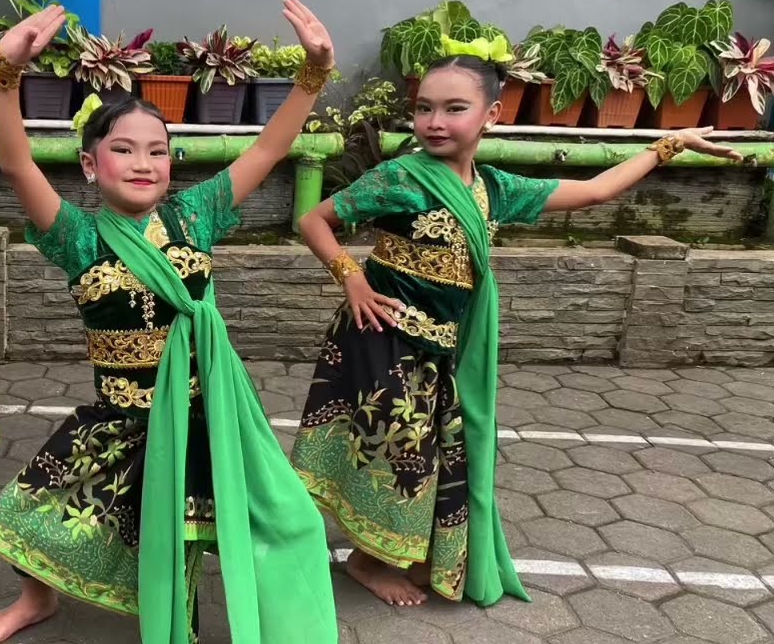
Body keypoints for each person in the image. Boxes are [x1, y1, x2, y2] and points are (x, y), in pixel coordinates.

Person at [290, 50, 742, 608]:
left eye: (455, 108)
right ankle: (365, 560)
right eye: (425, 108)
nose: (435, 121)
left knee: (424, 450)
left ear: (492, 115)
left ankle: (378, 550)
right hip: (378, 333)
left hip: (441, 346)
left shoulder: (494, 189)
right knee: (400, 451)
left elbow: (594, 192)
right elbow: (314, 219)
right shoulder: (398, 178)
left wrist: (668, 145)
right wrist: (351, 277)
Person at [0, 1, 340, 644]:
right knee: (28, 513)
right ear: (90, 166)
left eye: (157, 151)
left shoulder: (195, 216)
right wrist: (5, 77)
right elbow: (15, 166)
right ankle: (38, 599)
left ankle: (181, 623)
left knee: (206, 531)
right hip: (118, 416)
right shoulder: (78, 238)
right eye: (123, 150)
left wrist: (313, 73)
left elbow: (271, 148)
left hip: (200, 414)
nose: (144, 163)